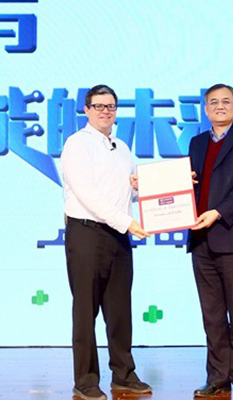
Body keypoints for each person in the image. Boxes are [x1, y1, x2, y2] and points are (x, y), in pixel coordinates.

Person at [61, 84, 152, 400]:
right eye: (98, 106)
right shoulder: (77, 144)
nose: (105, 111)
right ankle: (85, 380)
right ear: (86, 110)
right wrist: (126, 222)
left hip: (118, 235)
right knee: (85, 309)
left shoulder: (122, 147)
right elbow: (87, 193)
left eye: (110, 106)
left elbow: (124, 194)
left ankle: (123, 374)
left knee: (119, 309)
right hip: (87, 233)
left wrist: (141, 188)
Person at [187, 84, 233, 399]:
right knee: (213, 316)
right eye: (214, 102)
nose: (220, 106)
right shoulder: (196, 143)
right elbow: (188, 185)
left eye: (226, 101)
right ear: (206, 109)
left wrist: (217, 213)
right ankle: (218, 378)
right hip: (200, 240)